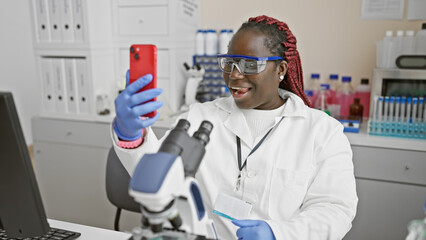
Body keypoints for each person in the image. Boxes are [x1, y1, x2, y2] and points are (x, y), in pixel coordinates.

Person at [112, 15, 358, 240]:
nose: (235, 75)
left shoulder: (322, 131)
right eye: (230, 62)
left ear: (281, 69)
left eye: (251, 64)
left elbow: (335, 209)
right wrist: (130, 134)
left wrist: (278, 233)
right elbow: (158, 177)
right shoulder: (200, 116)